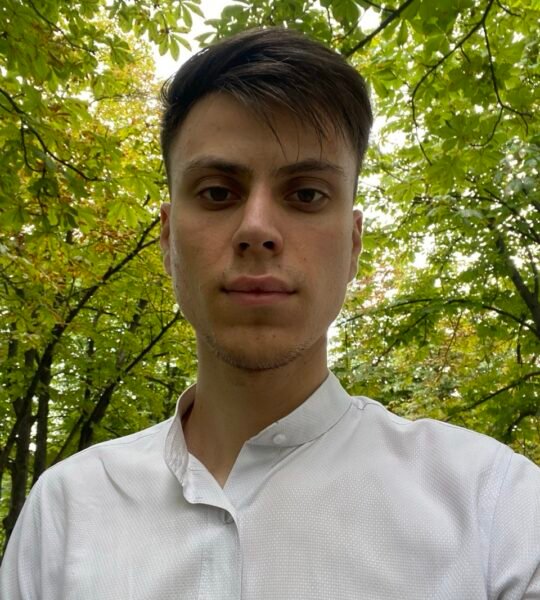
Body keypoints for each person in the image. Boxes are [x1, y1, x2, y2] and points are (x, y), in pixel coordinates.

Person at [1, 26, 539, 600]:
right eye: (217, 192)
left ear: (353, 243)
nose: (257, 229)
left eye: (306, 194)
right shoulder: (66, 513)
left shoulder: (496, 510)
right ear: (167, 237)